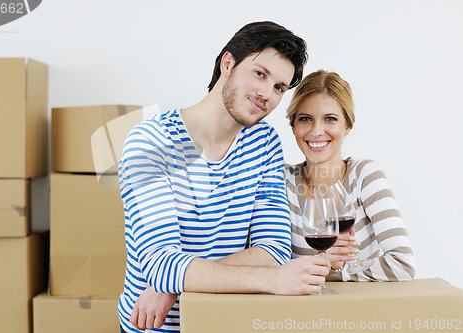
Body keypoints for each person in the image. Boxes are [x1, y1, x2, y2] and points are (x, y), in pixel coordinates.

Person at [118, 22, 332, 333]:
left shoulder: (264, 143)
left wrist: (173, 285)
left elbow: (273, 249)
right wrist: (274, 280)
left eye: (279, 88)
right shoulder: (150, 142)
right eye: (260, 74)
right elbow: (161, 263)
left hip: (225, 320)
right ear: (228, 64)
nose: (266, 94)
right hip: (156, 326)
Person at [284, 69, 415, 282]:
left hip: (356, 313)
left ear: (348, 125)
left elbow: (402, 264)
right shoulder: (281, 181)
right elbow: (264, 267)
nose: (316, 131)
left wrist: (336, 272)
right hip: (291, 314)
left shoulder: (365, 176)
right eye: (305, 119)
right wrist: (324, 264)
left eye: (330, 119)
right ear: (293, 126)